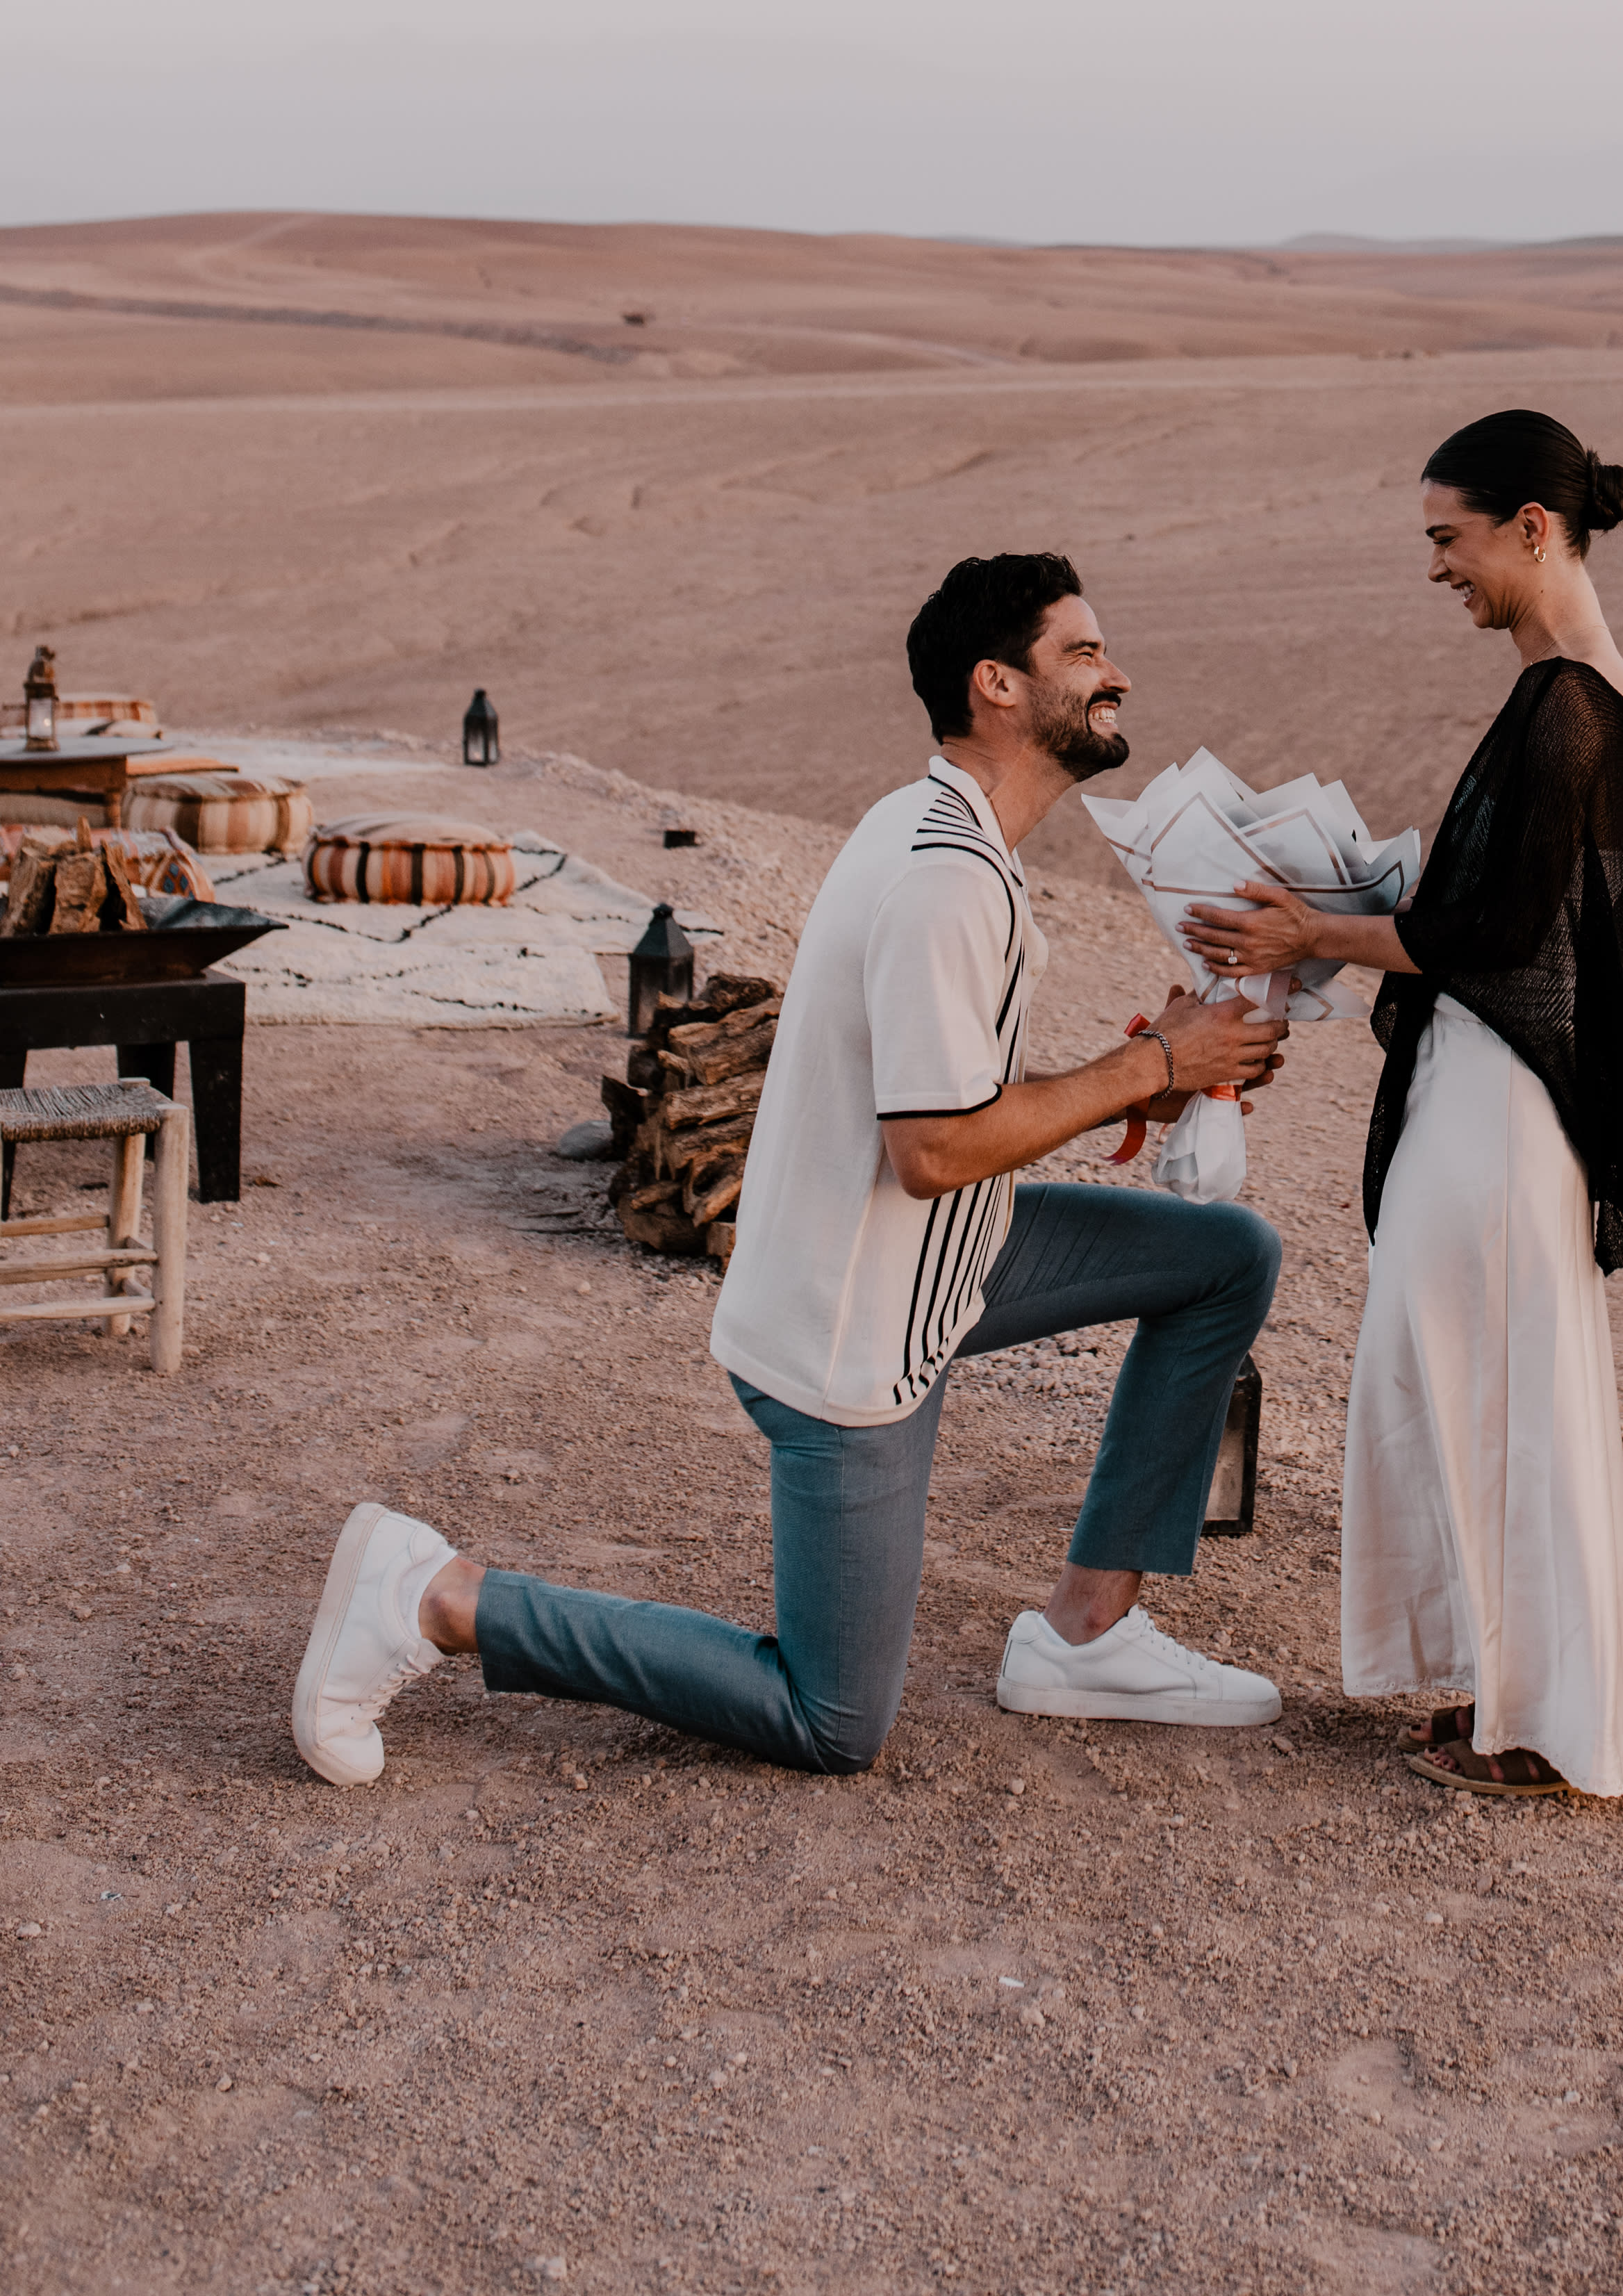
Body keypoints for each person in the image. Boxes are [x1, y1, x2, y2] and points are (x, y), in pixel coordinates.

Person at [290, 555, 1290, 1787]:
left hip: (948, 1266)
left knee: (1222, 1259)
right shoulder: (944, 879)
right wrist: (1147, 1070)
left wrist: (1169, 1067)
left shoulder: (948, 828)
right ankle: (441, 1599)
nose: (1116, 673)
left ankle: (1086, 1632)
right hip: (851, 1331)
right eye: (1083, 654)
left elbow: (958, 1124)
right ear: (996, 685)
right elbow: (932, 1150)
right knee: (832, 1719)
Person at [1183, 409, 1623, 1803]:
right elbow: (1483, 916)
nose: (1437, 570)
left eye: (1447, 542)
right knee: (1458, 1380)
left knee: (1501, 1394)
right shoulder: (1566, 691)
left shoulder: (1568, 702)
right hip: (1484, 1092)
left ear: (1529, 528)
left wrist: (1306, 944)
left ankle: (1554, 1729)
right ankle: (1505, 1692)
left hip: (1505, 1105)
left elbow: (1497, 937)